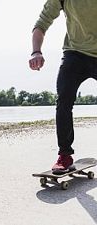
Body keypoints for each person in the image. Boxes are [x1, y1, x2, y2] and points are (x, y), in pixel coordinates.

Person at [29, 0, 97, 174]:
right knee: (64, 100)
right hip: (74, 53)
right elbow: (42, 23)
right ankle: (65, 155)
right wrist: (36, 51)